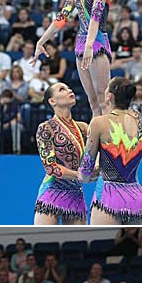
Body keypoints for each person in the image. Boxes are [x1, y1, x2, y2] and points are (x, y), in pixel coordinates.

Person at [34, 0, 113, 114]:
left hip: (97, 42)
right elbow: (62, 17)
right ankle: (96, 141)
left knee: (103, 98)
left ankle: (109, 141)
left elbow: (95, 16)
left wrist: (90, 45)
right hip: (81, 43)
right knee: (93, 102)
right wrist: (42, 41)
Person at [79, 80, 142, 225]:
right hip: (136, 197)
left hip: (108, 195)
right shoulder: (139, 119)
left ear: (109, 96)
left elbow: (86, 167)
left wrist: (85, 176)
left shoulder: (99, 123)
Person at [34, 81, 88, 224]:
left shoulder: (83, 128)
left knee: (79, 243)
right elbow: (51, 167)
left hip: (76, 192)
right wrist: (79, 175)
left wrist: (93, 169)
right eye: (62, 89)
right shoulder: (46, 128)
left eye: (70, 88)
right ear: (52, 101)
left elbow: (94, 156)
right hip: (52, 190)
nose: (69, 90)